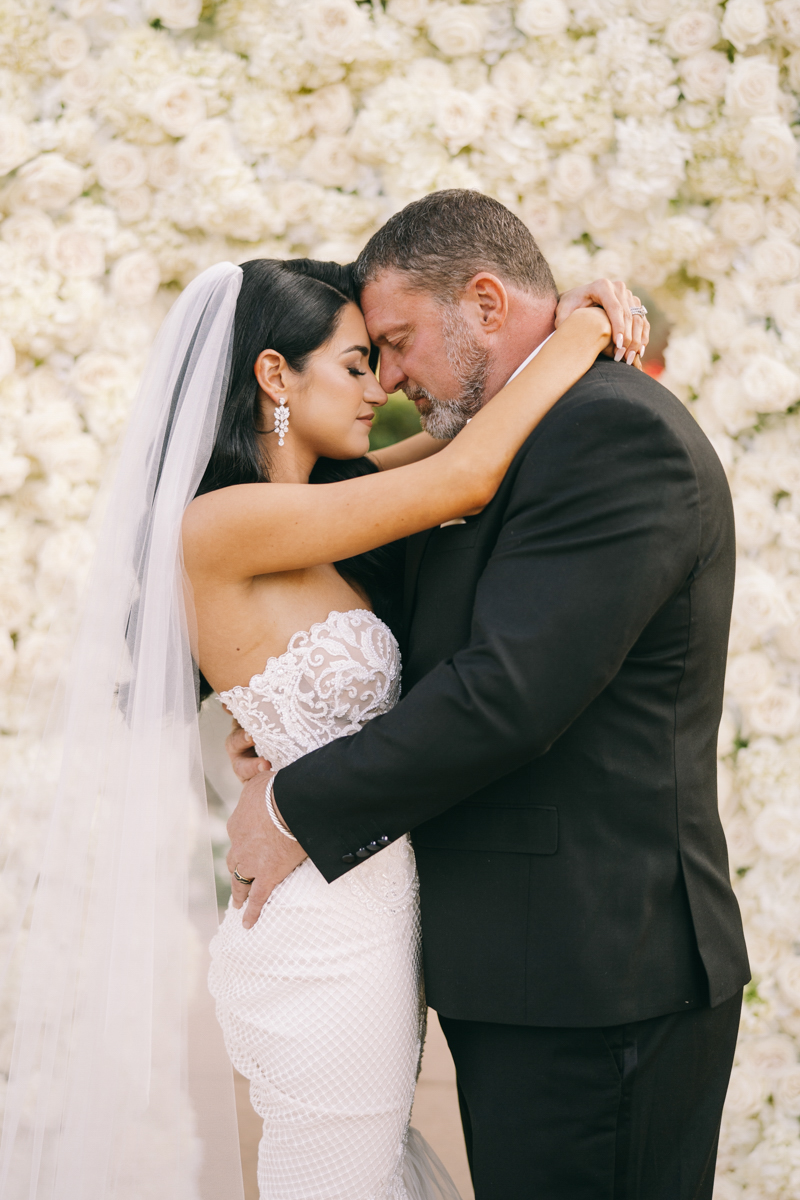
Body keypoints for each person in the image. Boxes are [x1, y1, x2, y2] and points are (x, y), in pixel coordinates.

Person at [226, 190, 751, 1200]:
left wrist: (294, 807)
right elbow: (338, 589)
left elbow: (503, 694)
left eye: (396, 341)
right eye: (364, 356)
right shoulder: (490, 444)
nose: (388, 377)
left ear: (482, 300)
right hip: (521, 968)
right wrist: (261, 729)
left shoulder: (611, 437)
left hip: (603, 972)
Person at [181, 254, 628, 1200]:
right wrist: (583, 328)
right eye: (354, 363)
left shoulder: (317, 509)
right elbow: (464, 475)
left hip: (371, 911)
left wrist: (539, 338)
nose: (379, 385)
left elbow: (465, 438)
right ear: (274, 375)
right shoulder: (222, 523)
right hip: (316, 935)